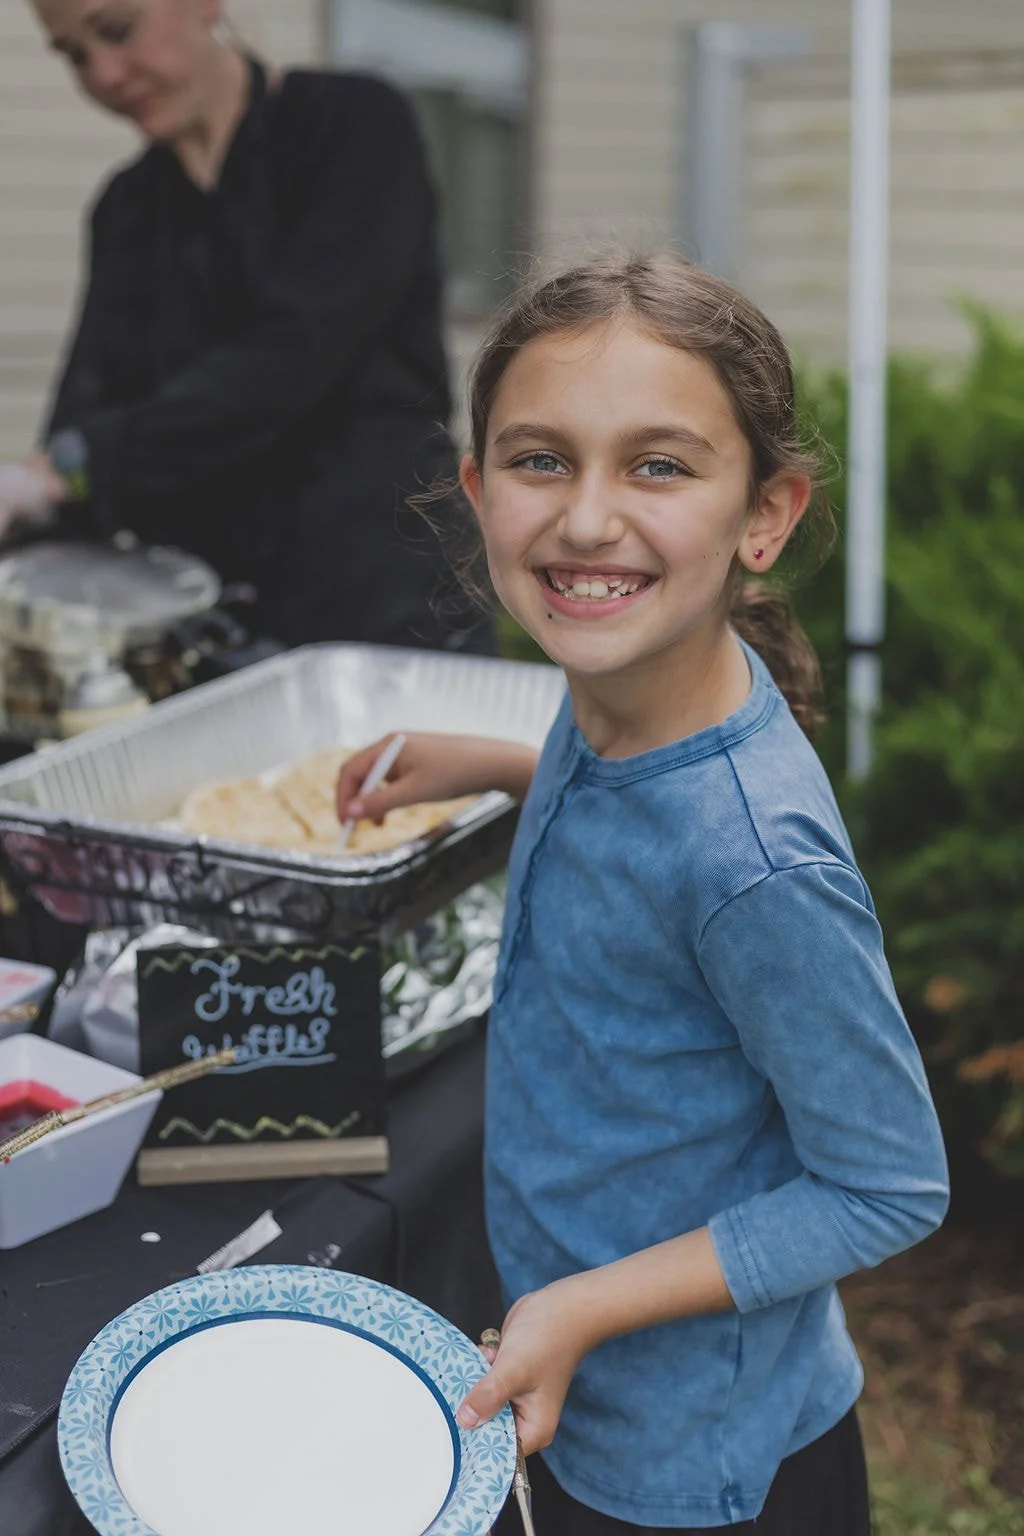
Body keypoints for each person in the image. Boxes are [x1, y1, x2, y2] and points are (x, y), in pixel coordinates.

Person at [336, 253, 950, 1534]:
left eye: (657, 465)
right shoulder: (626, 687)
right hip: (595, 1390)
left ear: (763, 514)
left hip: (694, 1464)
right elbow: (630, 814)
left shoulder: (755, 861)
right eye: (539, 459)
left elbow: (887, 1186)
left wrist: (584, 1304)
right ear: (477, 490)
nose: (585, 519)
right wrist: (499, 767)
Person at [2, 0, 487, 651]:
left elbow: (289, 360)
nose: (104, 75)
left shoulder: (354, 126)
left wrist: (73, 467)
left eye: (116, 31)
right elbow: (84, 412)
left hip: (385, 603)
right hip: (214, 624)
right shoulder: (127, 210)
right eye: (74, 56)